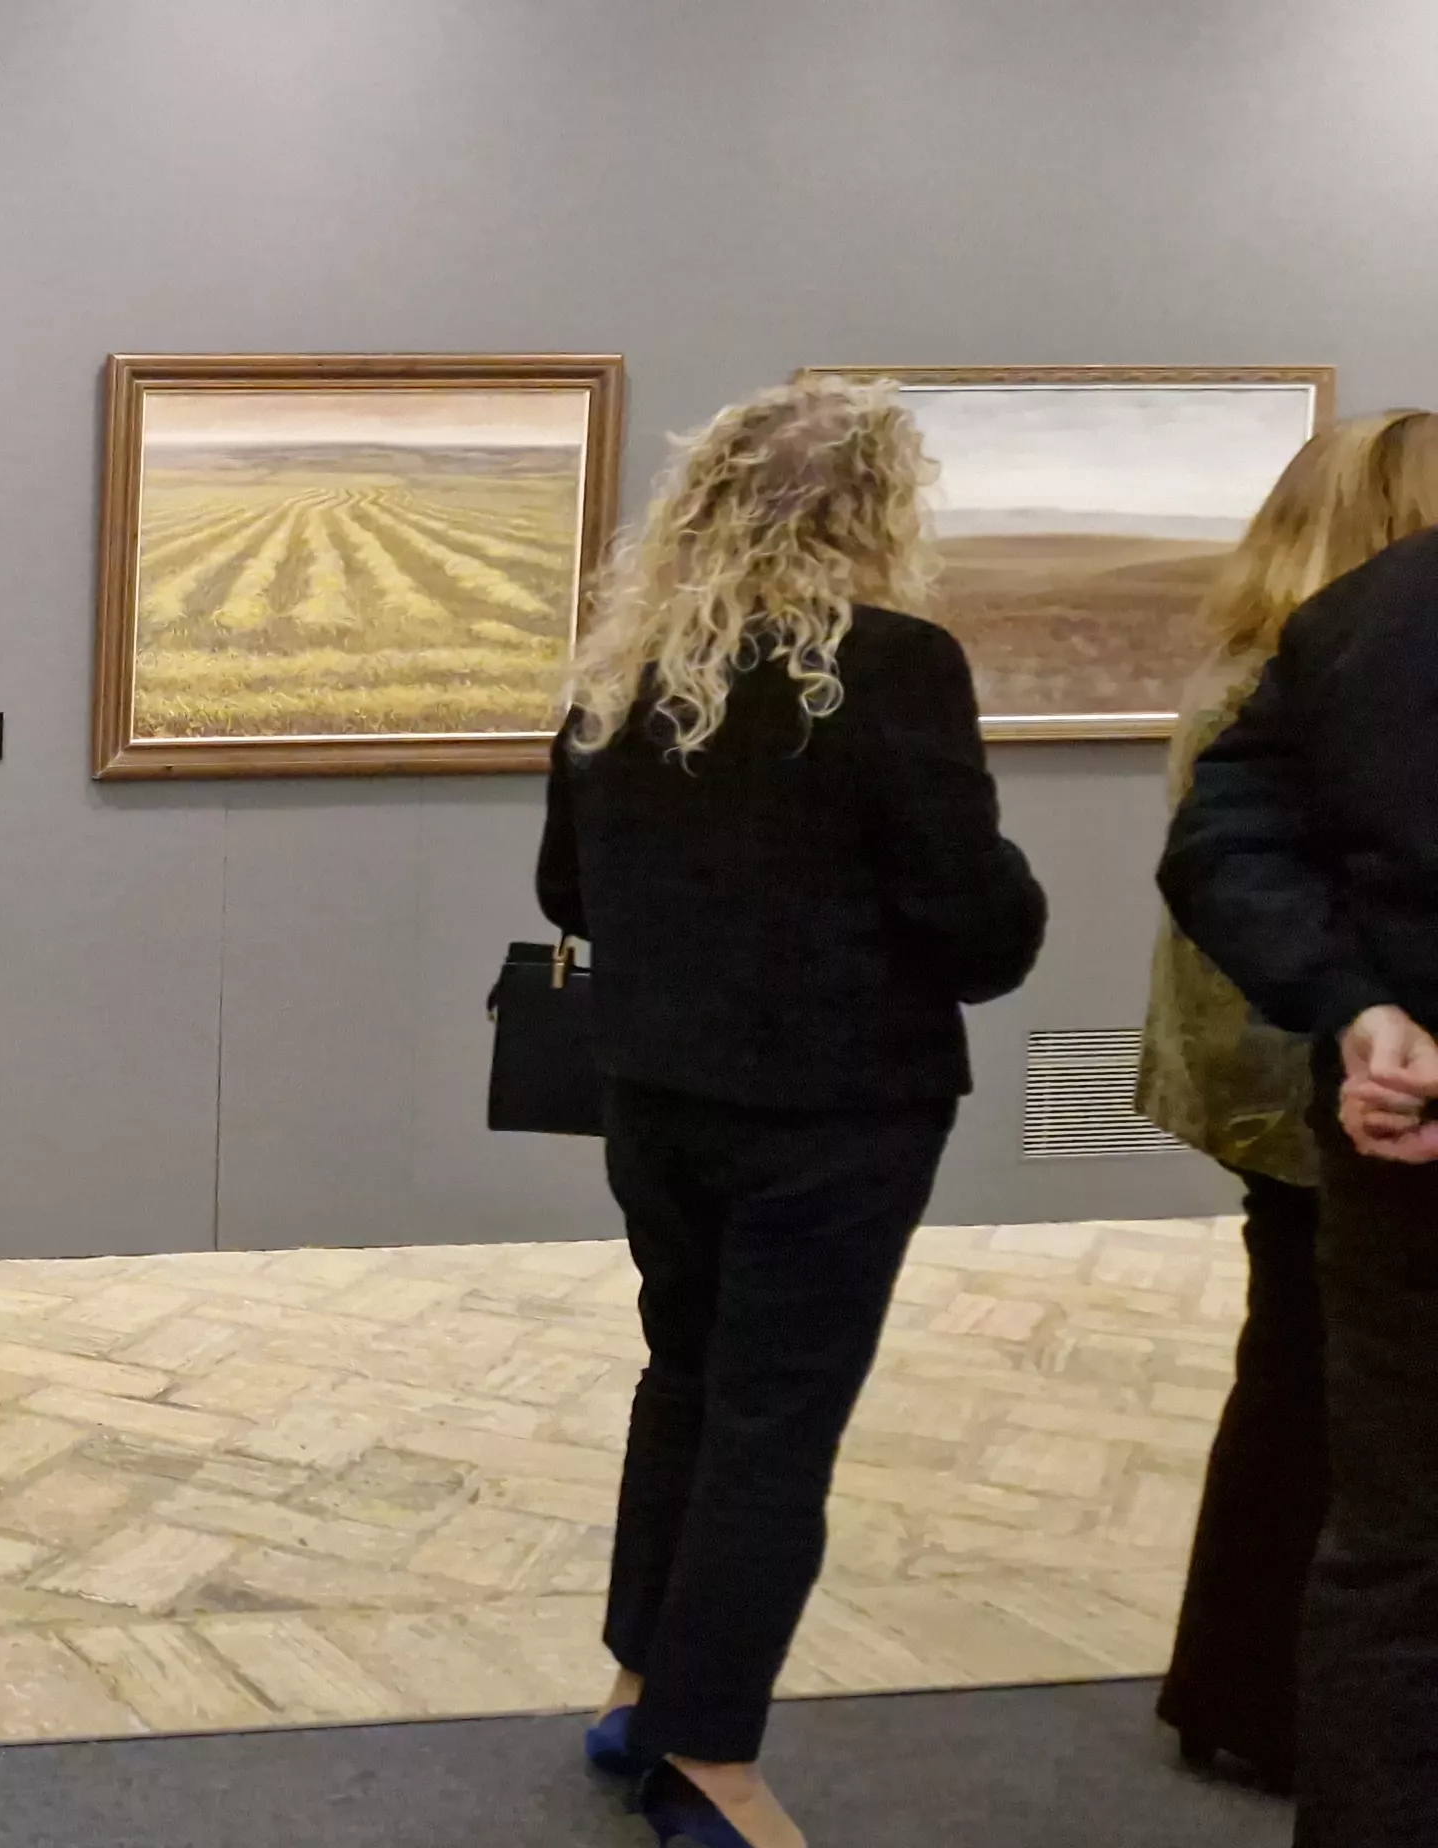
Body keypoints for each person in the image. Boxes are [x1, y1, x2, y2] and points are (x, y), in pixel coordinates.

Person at [536, 376, 1047, 1848]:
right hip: (837, 1111)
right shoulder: (893, 665)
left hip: (653, 1092)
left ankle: (643, 1683)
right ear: (878, 510)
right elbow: (977, 927)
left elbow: (566, 891)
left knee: (684, 1380)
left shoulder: (626, 667)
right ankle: (709, 1760)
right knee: (775, 1420)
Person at [1142, 412, 1438, 1795]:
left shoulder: (1288, 664)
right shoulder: (1332, 666)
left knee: (1318, 1420)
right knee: (1326, 1427)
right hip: (1334, 1101)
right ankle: (1259, 1694)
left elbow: (1226, 863)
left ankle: (1247, 1689)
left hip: (1338, 1090)